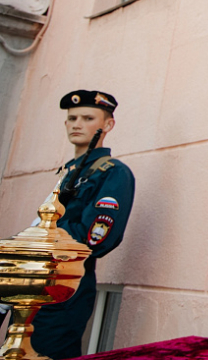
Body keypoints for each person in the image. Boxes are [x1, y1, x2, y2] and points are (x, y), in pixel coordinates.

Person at [31, 90, 135, 359]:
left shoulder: (112, 172)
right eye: (72, 118)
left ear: (107, 125)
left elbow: (95, 238)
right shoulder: (70, 173)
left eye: (88, 118)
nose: (77, 124)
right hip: (35, 284)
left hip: (67, 285)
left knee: (49, 351)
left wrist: (42, 242)